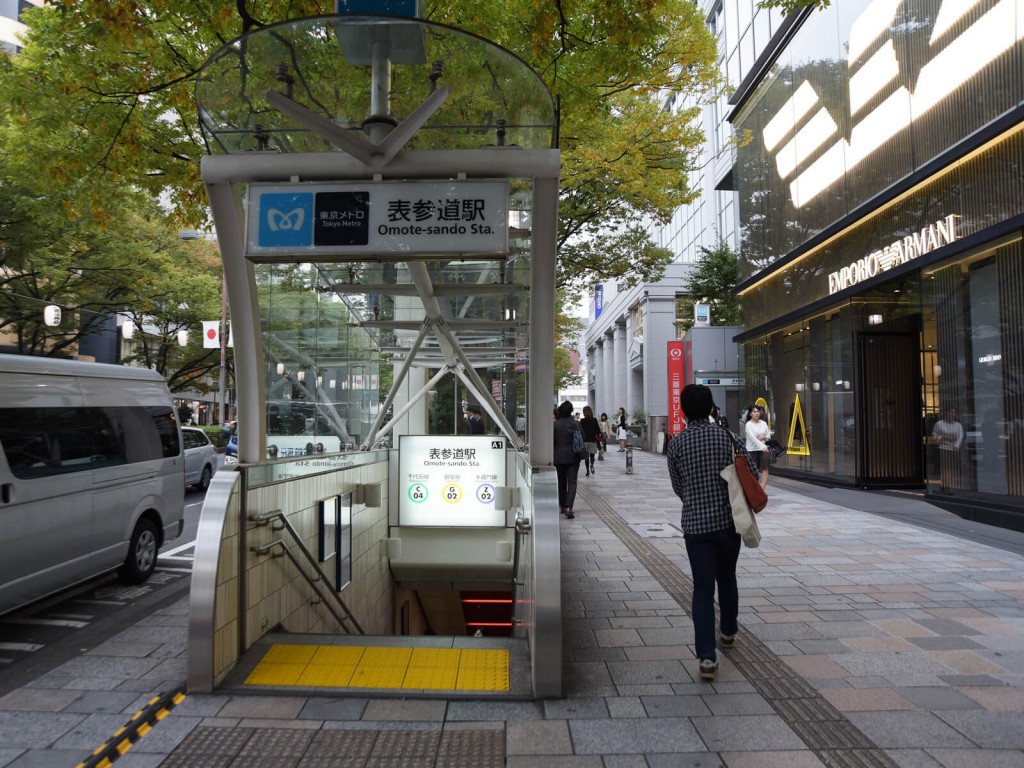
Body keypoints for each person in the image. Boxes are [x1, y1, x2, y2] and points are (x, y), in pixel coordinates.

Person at [667, 384, 758, 681]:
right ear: (710, 408)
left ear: (683, 409)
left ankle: (707, 657)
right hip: (728, 523)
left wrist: (695, 500)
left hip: (695, 526)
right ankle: (728, 631)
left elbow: (678, 486)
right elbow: (752, 476)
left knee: (702, 588)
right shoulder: (728, 438)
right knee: (727, 576)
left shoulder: (677, 444)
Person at [552, 400, 583, 519]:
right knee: (572, 482)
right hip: (574, 457)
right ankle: (569, 507)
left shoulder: (555, 425)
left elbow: (551, 441)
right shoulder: (576, 424)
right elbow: (583, 438)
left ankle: (563, 506)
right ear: (571, 411)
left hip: (558, 457)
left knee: (561, 481)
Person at [932, 407, 964, 491]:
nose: (952, 414)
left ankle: (948, 484)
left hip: (954, 449)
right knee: (945, 467)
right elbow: (934, 435)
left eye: (953, 412)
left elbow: (960, 436)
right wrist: (943, 437)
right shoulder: (939, 424)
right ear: (946, 413)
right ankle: (946, 484)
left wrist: (957, 445)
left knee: (952, 468)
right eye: (950, 412)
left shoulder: (958, 425)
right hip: (943, 447)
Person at [744, 404, 771, 488]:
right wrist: (762, 445)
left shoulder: (763, 423)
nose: (757, 413)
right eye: (754, 412)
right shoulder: (748, 425)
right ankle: (755, 489)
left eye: (758, 411)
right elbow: (752, 438)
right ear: (750, 414)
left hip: (763, 450)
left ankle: (762, 489)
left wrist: (765, 437)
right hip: (752, 450)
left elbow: (768, 434)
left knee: (765, 469)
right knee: (752, 471)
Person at [579, 406, 601, 477]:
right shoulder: (594, 420)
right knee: (592, 456)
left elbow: (580, 431)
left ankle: (587, 471)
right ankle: (592, 464)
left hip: (585, 441)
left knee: (586, 457)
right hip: (593, 441)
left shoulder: (582, 421)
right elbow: (598, 430)